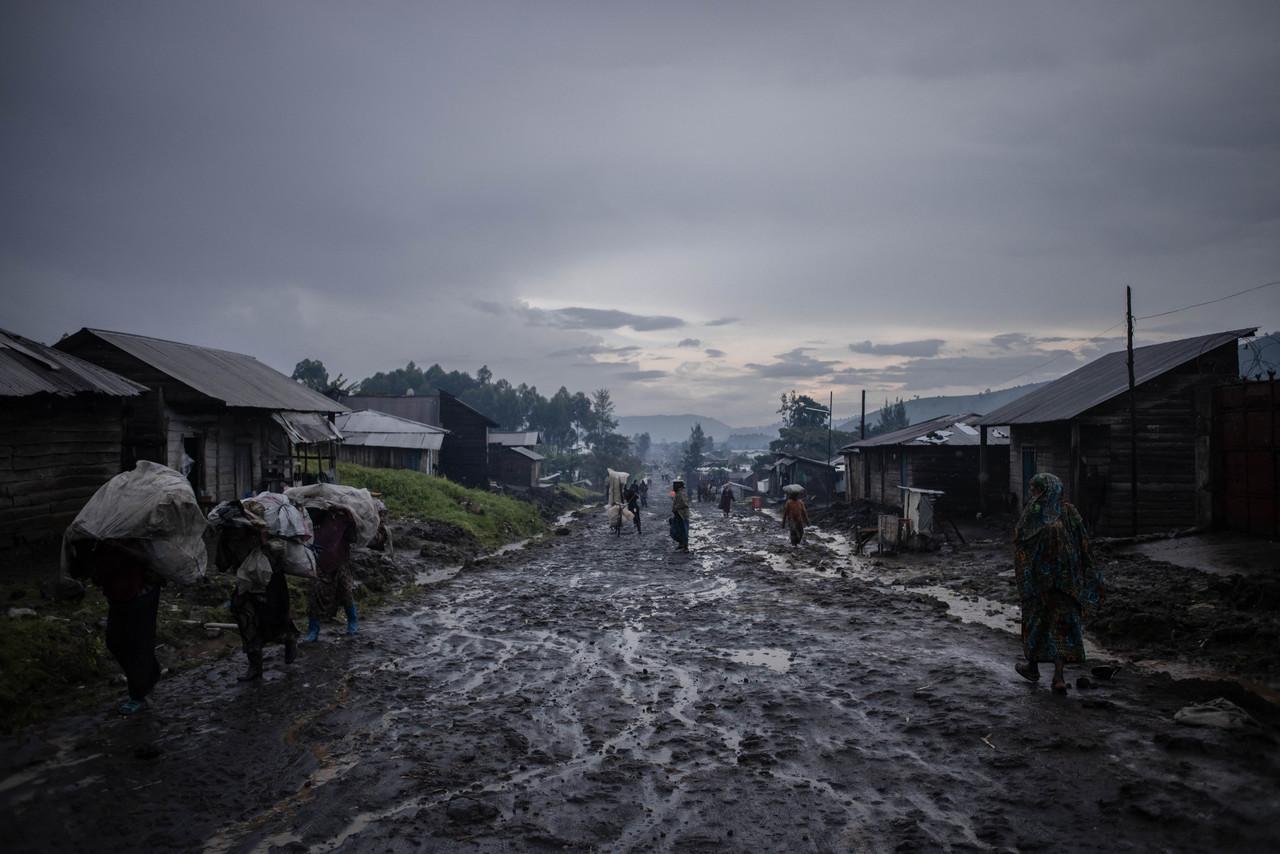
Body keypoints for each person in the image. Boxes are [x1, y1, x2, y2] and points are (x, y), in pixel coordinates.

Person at [1014, 472, 1104, 694]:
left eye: (1035, 490)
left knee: (1037, 623)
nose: (1033, 494)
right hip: (1067, 582)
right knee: (1060, 628)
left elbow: (1020, 542)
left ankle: (1033, 667)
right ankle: (1058, 678)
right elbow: (1084, 542)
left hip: (1039, 584)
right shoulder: (1069, 511)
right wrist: (1087, 570)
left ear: (1041, 490)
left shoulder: (1034, 512)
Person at [72, 539, 163, 715]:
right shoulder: (98, 542)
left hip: (141, 596)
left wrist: (120, 547)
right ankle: (149, 673)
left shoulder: (130, 534)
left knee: (138, 645)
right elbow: (94, 575)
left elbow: (147, 559)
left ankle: (138, 696)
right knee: (115, 642)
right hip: (118, 598)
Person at [215, 522, 299, 682]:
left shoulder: (264, 536)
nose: (235, 534)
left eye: (237, 531)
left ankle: (289, 638)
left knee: (274, 620)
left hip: (272, 586)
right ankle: (255, 666)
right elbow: (221, 564)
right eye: (232, 532)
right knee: (247, 622)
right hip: (246, 587)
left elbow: (279, 560)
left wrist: (264, 542)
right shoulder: (226, 539)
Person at [305, 507, 359, 641]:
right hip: (319, 563)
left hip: (340, 562)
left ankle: (352, 622)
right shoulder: (316, 516)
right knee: (315, 595)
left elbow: (353, 538)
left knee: (346, 592)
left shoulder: (344, 519)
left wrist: (350, 521)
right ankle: (313, 630)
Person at [669, 479, 690, 552]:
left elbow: (685, 503)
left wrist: (675, 508)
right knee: (677, 530)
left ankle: (685, 547)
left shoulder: (681, 493)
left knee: (684, 531)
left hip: (682, 515)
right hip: (678, 514)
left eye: (675, 485)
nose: (674, 486)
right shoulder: (678, 492)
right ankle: (681, 544)